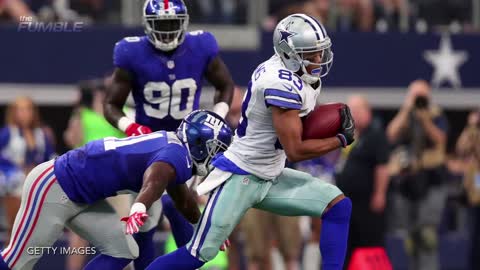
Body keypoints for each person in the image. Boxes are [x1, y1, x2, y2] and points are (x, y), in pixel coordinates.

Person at [146, 13, 355, 270]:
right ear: (289, 53)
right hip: (241, 176)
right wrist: (340, 139)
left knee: (338, 205)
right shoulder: (280, 83)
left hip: (270, 175)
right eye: (311, 54)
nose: (319, 60)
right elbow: (296, 150)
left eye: (320, 52)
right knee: (199, 253)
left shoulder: (294, 72)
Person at [0, 110, 233, 270]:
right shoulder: (174, 156)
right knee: (19, 260)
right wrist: (141, 205)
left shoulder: (175, 149)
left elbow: (183, 200)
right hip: (55, 184)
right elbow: (155, 177)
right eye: (216, 150)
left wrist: (206, 228)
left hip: (84, 197)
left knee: (123, 249)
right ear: (201, 145)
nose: (217, 157)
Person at [103, 0, 234, 268]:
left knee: (179, 206)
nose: (166, 31)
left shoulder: (201, 47)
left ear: (184, 22)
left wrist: (217, 114)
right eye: (160, 25)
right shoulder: (131, 52)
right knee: (145, 220)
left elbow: (225, 85)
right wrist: (130, 125)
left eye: (172, 24)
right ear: (147, 25)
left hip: (191, 144)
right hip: (147, 144)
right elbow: (111, 104)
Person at [386, 80, 448, 270]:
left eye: (422, 96)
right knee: (409, 240)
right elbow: (391, 135)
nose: (419, 100)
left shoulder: (436, 115)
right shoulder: (404, 115)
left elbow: (441, 139)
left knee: (427, 237)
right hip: (406, 185)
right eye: (415, 96)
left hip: (432, 182)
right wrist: (406, 109)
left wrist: (425, 119)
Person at [336, 95, 390, 267]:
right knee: (348, 246)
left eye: (357, 110)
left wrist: (379, 194)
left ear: (368, 112)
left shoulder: (376, 135)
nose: (353, 115)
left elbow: (382, 166)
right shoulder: (349, 137)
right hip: (348, 202)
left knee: (369, 245)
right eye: (350, 111)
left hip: (367, 203)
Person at [0, 97, 55, 244]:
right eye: (20, 110)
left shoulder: (42, 134)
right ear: (14, 113)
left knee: (33, 230)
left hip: (36, 184)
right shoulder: (7, 133)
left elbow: (50, 157)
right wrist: (15, 167)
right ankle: (8, 262)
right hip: (14, 185)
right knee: (15, 228)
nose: (24, 114)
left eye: (28, 109)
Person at [455, 109, 480, 270]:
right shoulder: (472, 133)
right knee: (474, 240)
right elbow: (461, 150)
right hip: (475, 194)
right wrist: (471, 128)